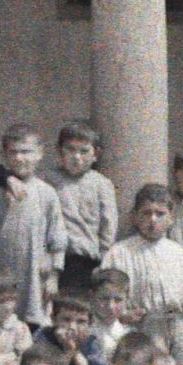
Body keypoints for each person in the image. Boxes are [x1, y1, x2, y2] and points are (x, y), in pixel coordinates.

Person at [103, 183, 183, 365]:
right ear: (135, 217)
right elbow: (104, 293)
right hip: (146, 324)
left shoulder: (178, 252)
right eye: (146, 213)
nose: (152, 220)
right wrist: (123, 314)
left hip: (180, 323)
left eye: (160, 213)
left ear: (171, 217)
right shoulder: (119, 253)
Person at [0, 123, 68, 328]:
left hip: (34, 274)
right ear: (4, 155)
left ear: (40, 153)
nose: (20, 158)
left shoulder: (46, 193)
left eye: (26, 152)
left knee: (32, 323)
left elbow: (57, 238)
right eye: (13, 152)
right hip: (0, 270)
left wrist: (53, 277)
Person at [47, 121, 119, 293]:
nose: (76, 157)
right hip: (55, 261)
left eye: (84, 151)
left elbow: (109, 225)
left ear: (96, 154)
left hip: (88, 261)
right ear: (59, 150)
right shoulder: (49, 180)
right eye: (70, 149)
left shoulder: (102, 184)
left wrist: (103, 261)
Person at [38, 292, 108, 365]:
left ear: (90, 323)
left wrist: (74, 351)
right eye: (66, 319)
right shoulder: (44, 336)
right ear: (53, 319)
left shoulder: (92, 342)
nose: (72, 327)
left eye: (80, 322)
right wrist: (67, 351)